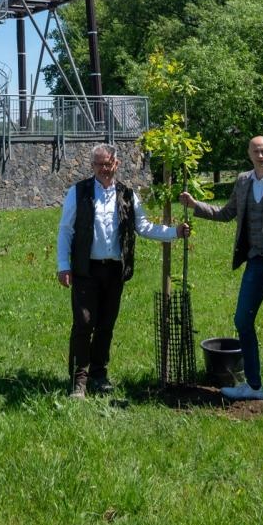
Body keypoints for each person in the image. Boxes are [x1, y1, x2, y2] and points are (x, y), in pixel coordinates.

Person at [180, 135, 263, 409]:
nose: (261, 156)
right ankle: (254, 385)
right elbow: (227, 213)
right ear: (249, 154)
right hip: (255, 263)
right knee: (242, 320)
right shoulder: (244, 181)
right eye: (256, 151)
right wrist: (194, 206)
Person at [57, 143, 190, 398]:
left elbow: (144, 226)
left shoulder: (127, 194)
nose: (104, 169)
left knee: (106, 324)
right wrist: (63, 265)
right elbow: (66, 230)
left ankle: (98, 373)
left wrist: (175, 232)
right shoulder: (78, 192)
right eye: (99, 164)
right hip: (86, 269)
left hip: (114, 270)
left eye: (108, 164)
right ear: (92, 166)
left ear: (116, 164)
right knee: (84, 323)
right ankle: (79, 380)